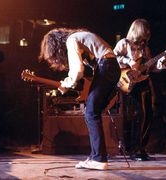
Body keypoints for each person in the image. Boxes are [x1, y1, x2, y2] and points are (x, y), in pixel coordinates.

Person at [39, 28, 121, 170]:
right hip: (112, 67)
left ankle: (99, 159)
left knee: (90, 113)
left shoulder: (72, 40)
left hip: (106, 66)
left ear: (56, 46)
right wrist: (69, 82)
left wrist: (67, 84)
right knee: (92, 112)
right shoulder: (80, 37)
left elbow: (77, 70)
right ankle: (97, 156)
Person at [113, 18, 166, 161]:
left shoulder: (145, 48)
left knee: (149, 113)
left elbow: (149, 68)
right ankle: (132, 149)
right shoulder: (124, 43)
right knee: (136, 115)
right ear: (138, 29)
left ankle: (141, 148)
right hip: (129, 83)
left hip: (144, 82)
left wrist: (161, 64)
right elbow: (113, 57)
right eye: (145, 30)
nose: (147, 33)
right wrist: (129, 61)